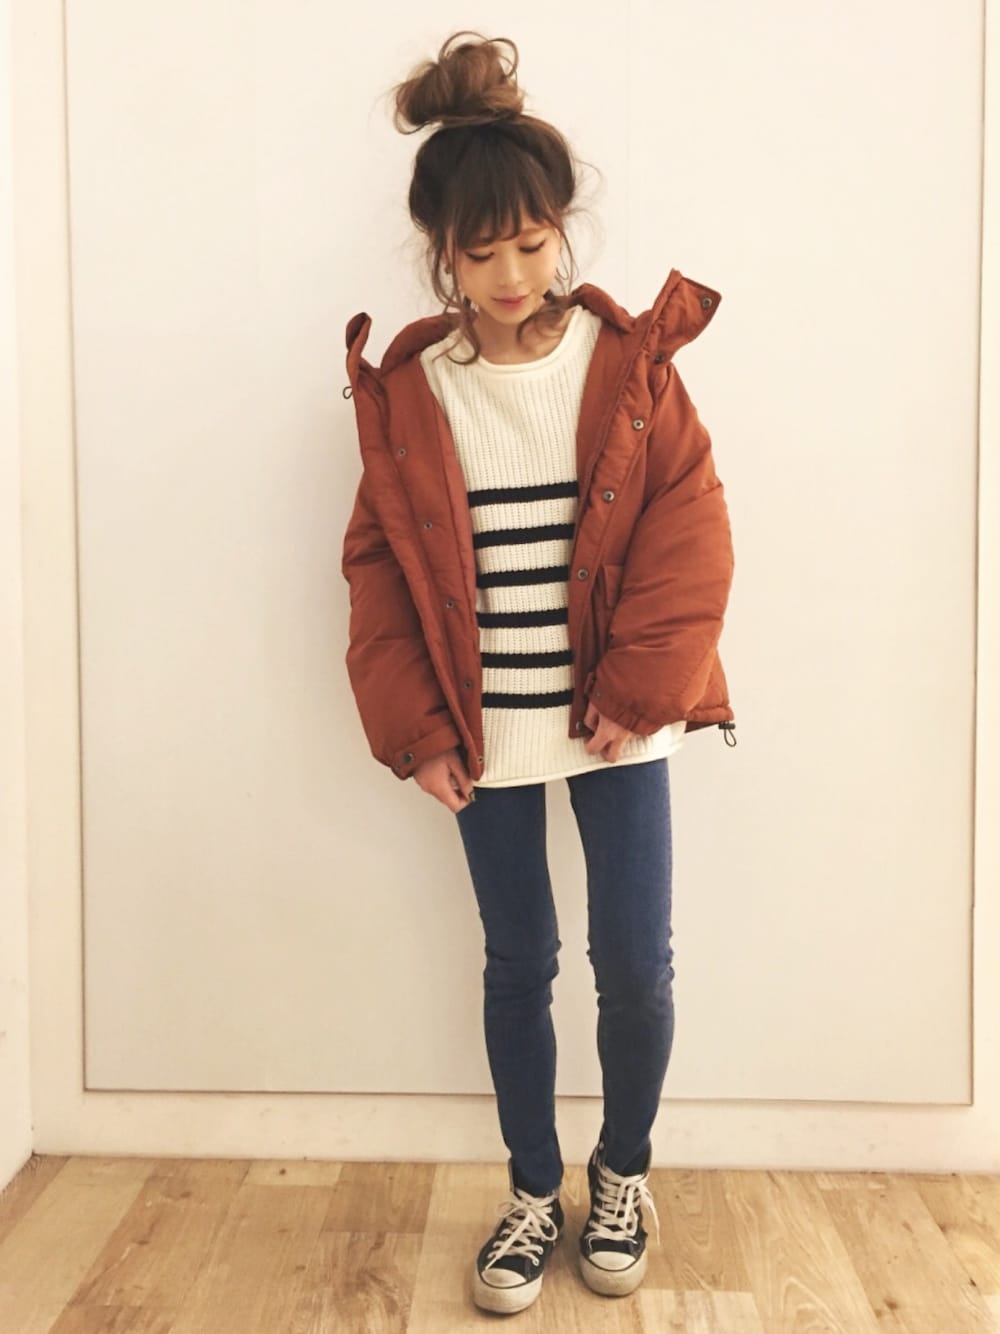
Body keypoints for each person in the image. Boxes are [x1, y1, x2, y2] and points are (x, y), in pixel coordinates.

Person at [341, 29, 736, 1316]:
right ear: (440, 256)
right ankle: (529, 1188)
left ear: (560, 230)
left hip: (621, 721)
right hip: (486, 730)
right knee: (518, 962)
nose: (511, 276)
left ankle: (621, 1171)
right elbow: (380, 571)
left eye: (529, 243)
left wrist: (639, 695)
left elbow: (688, 534)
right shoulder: (415, 388)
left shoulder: (624, 365)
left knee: (637, 963)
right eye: (480, 253)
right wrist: (417, 731)